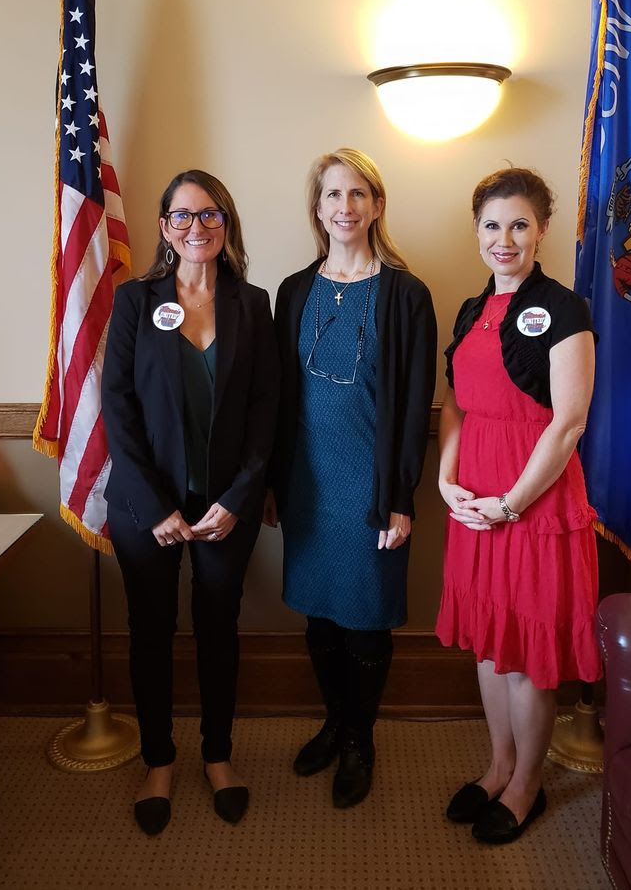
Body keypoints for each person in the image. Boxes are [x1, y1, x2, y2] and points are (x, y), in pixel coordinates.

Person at [102, 169, 278, 834]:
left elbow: (266, 411)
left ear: (225, 225)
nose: (195, 227)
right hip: (145, 508)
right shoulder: (133, 301)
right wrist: (152, 506)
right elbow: (116, 406)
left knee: (217, 631)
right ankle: (157, 761)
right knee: (150, 633)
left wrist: (239, 497)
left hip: (223, 510)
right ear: (163, 227)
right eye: (181, 216)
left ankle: (219, 755)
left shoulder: (251, 303)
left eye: (209, 215)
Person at [436, 167, 602, 845]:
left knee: (529, 650)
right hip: (472, 502)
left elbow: (567, 422)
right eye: (491, 225)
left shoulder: (566, 310)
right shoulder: (471, 310)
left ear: (541, 230)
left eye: (518, 224)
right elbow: (453, 403)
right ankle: (498, 765)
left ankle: (527, 784)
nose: (503, 239)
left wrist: (508, 505)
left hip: (531, 506)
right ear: (476, 232)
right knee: (487, 641)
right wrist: (446, 481)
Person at [266, 147, 437, 809]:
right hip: (307, 484)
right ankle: (334, 721)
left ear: (376, 205)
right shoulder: (293, 291)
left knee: (364, 621)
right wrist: (275, 483)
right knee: (318, 617)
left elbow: (415, 402)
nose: (345, 207)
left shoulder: (405, 294)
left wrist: (398, 498)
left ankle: (361, 738)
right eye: (333, 195)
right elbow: (281, 401)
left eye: (358, 194)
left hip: (370, 489)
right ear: (317, 208)